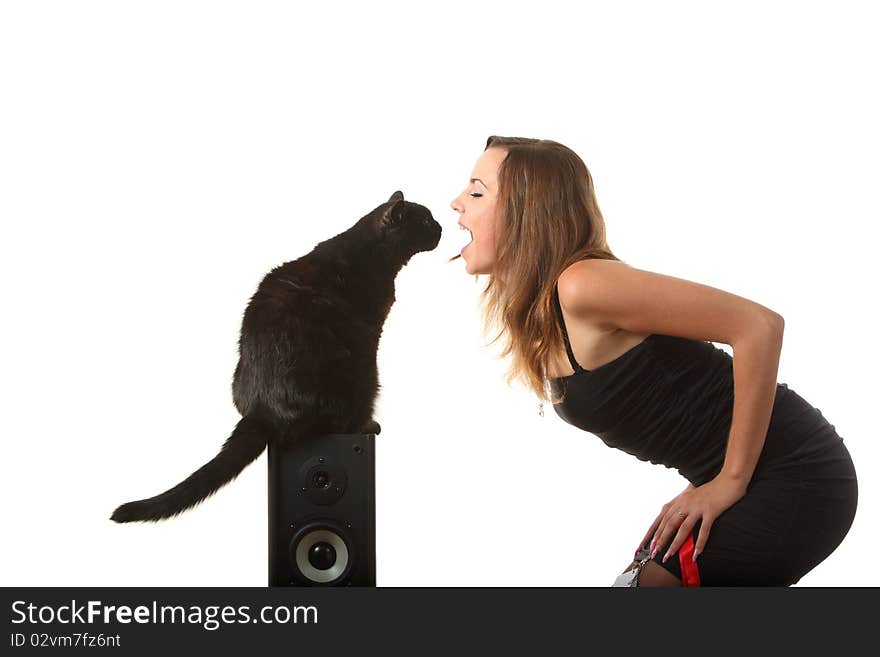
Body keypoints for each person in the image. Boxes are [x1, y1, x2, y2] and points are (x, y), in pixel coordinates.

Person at [448, 135, 858, 586]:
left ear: (529, 212)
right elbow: (691, 408)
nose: (456, 203)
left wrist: (730, 480)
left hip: (799, 474)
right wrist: (711, 478)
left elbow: (759, 327)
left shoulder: (583, 284)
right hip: (750, 474)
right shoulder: (546, 310)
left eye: (476, 191)